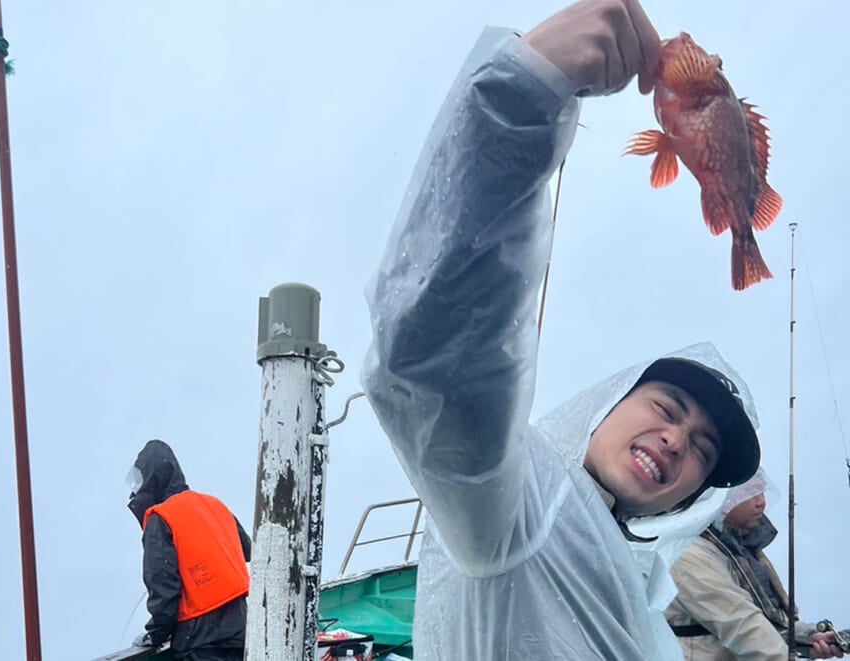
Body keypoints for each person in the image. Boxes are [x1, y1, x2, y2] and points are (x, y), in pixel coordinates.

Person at [361, 0, 763, 658]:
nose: (676, 439)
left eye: (704, 451)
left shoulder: (644, 596)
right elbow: (431, 354)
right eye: (668, 406)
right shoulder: (517, 504)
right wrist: (522, 91)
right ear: (605, 404)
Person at [665, 468, 847, 659]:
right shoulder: (687, 553)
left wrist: (809, 636)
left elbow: (771, 620)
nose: (761, 502)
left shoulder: (741, 551)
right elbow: (742, 625)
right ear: (723, 498)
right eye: (752, 493)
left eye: (762, 492)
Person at [127, 439, 251, 661]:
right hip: (242, 629)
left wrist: (156, 634)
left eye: (138, 479)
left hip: (200, 639)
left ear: (152, 479)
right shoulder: (214, 505)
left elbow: (163, 587)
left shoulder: (160, 518)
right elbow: (247, 549)